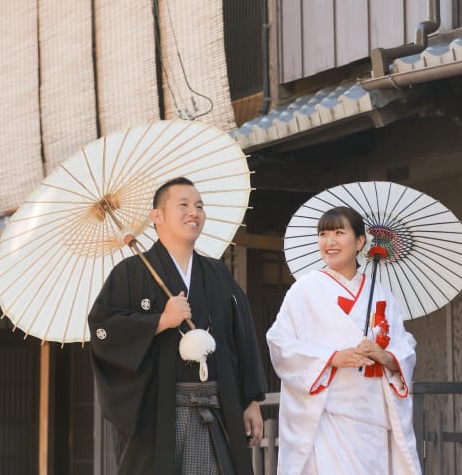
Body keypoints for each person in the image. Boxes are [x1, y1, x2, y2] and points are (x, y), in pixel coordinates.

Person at [89, 177, 266, 475]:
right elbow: (103, 332)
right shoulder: (130, 273)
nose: (194, 212)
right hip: (160, 414)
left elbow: (242, 337)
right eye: (183, 205)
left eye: (199, 206)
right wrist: (159, 321)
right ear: (156, 216)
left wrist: (251, 400)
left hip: (218, 408)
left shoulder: (218, 274)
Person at [267, 205, 421, 475]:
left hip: (372, 416)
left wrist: (386, 356)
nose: (330, 242)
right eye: (324, 234)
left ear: (360, 241)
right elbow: (280, 343)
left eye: (339, 232)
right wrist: (331, 358)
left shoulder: (381, 294)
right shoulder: (304, 290)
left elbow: (404, 346)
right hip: (326, 416)